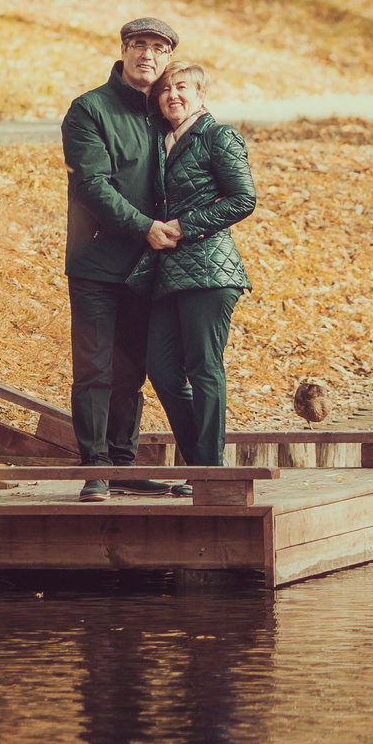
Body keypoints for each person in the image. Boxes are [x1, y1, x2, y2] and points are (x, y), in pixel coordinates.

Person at [60, 17, 197, 502]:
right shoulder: (89, 110)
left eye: (158, 48)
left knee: (131, 371)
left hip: (148, 267)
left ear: (166, 58)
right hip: (97, 262)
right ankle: (95, 469)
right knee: (95, 369)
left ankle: (122, 463)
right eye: (139, 45)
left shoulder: (164, 111)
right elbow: (92, 186)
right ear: (123, 50)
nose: (147, 55)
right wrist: (145, 227)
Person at [145, 61, 255, 470]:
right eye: (166, 89)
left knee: (203, 367)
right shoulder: (160, 140)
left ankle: (209, 470)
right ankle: (202, 466)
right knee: (161, 369)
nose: (173, 94)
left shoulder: (218, 136)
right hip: (168, 273)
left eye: (183, 87)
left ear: (201, 95)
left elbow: (244, 199)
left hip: (210, 270)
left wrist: (184, 225)